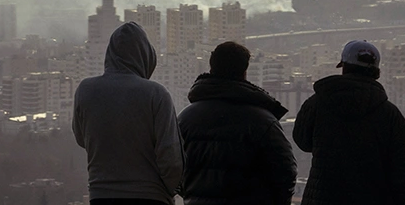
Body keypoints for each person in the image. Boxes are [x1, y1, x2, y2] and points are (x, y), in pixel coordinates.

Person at [293, 40, 405, 205]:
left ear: (344, 67)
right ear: (377, 72)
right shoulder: (390, 114)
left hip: (322, 198)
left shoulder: (317, 104)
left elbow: (302, 141)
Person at [72, 21, 183, 205]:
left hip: (101, 195)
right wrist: (168, 191)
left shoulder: (86, 90)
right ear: (146, 55)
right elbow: (171, 158)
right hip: (150, 197)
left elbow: (81, 138)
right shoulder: (156, 94)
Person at [178, 41, 297, 205]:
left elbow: (171, 167)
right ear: (244, 71)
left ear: (211, 68)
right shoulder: (263, 121)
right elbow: (285, 172)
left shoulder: (185, 118)